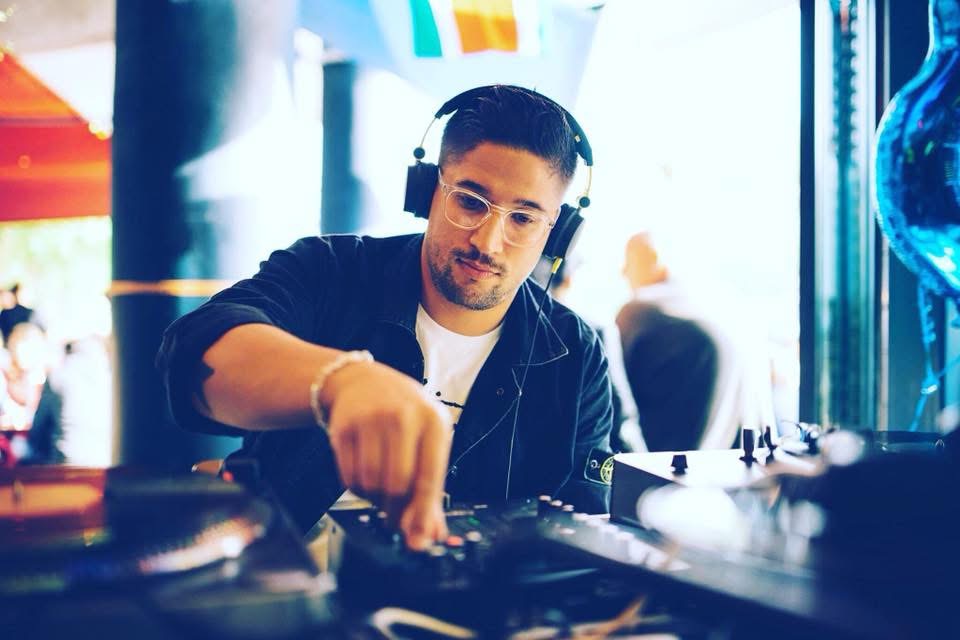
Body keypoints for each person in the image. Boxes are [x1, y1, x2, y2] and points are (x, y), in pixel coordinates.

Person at [156, 85, 614, 550]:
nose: (488, 242)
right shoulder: (328, 271)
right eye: (470, 201)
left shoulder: (576, 357)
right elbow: (189, 359)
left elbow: (584, 530)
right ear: (428, 191)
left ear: (556, 232)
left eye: (523, 219)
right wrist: (339, 382)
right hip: (293, 579)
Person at [616, 232, 775, 451]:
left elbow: (612, 398)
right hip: (738, 462)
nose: (623, 272)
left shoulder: (639, 314)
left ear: (655, 261)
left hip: (664, 463)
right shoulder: (732, 312)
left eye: (629, 262)